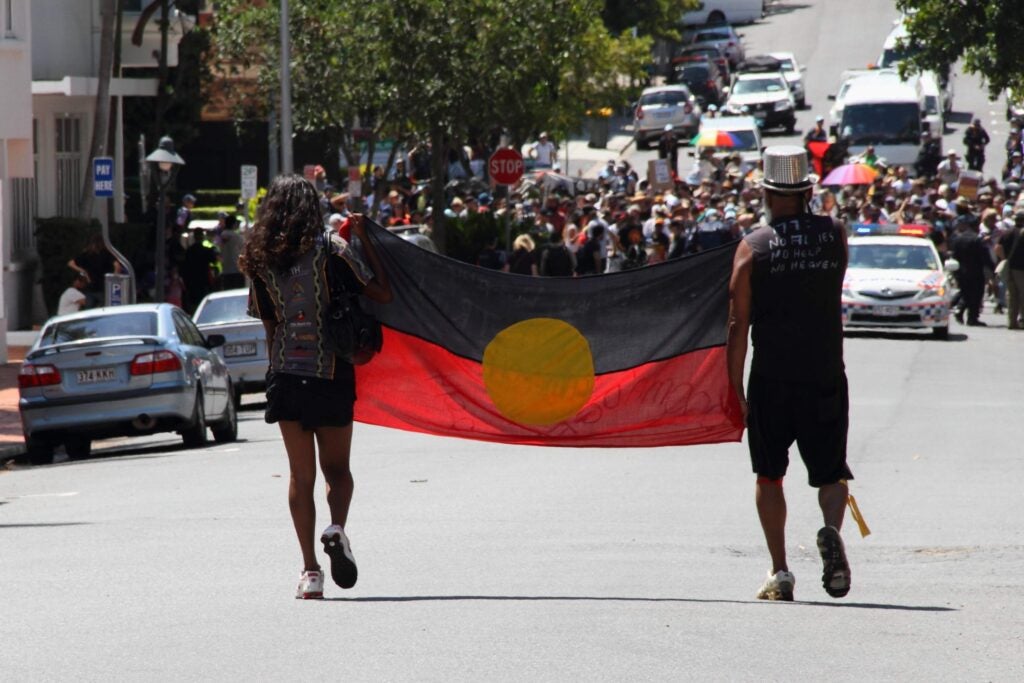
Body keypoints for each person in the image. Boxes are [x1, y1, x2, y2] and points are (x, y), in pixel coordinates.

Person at [241, 174, 392, 599]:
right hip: (332, 371)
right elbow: (382, 294)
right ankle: (336, 528)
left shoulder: (260, 260)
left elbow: (269, 328)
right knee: (338, 471)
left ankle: (310, 572)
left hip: (287, 375)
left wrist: (276, 373)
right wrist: (367, 240)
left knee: (300, 476)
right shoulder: (332, 248)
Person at [726, 145, 853, 602]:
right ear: (807, 192)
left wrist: (735, 388)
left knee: (769, 476)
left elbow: (738, 323)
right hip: (824, 372)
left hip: (772, 378)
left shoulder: (752, 247)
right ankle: (830, 530)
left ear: (766, 193)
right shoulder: (834, 234)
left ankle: (780, 570)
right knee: (831, 473)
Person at [950, 199, 993, 326]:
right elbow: (984, 256)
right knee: (976, 295)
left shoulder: (958, 239)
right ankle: (972, 318)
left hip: (961, 271)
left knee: (966, 293)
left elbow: (954, 256)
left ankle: (960, 311)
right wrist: (992, 268)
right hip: (975, 272)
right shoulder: (977, 240)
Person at [68, 234, 121, 309]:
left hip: (90, 287)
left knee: (89, 310)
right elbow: (117, 266)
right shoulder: (106, 253)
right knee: (104, 309)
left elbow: (71, 263)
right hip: (103, 287)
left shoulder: (86, 254)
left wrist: (82, 270)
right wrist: (114, 278)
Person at [996, 211, 1024, 329]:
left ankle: (1012, 322)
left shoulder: (1007, 232)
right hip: (1021, 269)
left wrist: (1004, 259)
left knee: (1012, 295)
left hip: (1009, 268)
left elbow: (998, 247)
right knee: (1022, 295)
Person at [181, 228, 219, 313]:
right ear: (202, 237)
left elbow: (184, 268)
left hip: (193, 281)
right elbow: (214, 261)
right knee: (204, 303)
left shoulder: (189, 251)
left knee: (195, 304)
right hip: (204, 281)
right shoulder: (206, 250)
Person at [217, 214, 246, 290]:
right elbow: (244, 249)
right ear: (234, 224)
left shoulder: (221, 237)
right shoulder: (237, 237)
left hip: (225, 270)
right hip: (236, 270)